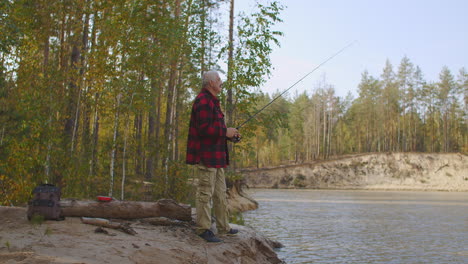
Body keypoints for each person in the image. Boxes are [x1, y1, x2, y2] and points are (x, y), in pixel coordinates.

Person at [186, 70, 240, 243]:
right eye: (218, 79)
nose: (221, 82)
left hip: (218, 157)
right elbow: (204, 130)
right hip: (207, 156)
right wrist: (226, 131)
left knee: (220, 195)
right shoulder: (203, 101)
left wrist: (231, 136)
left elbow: (215, 131)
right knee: (205, 194)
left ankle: (224, 227)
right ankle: (203, 229)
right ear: (210, 83)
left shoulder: (213, 102)